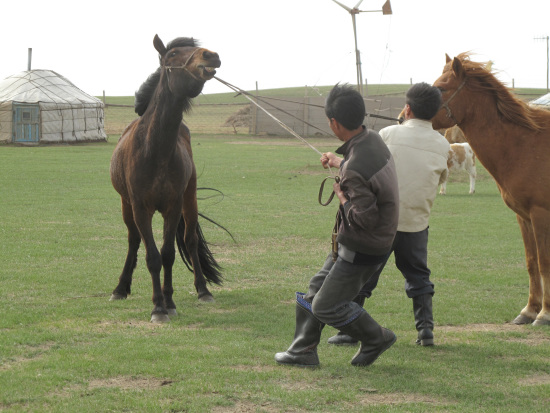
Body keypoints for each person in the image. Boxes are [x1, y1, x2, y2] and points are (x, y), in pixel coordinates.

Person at [274, 84, 400, 367]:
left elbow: (363, 219)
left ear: (333, 122)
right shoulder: (373, 140)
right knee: (315, 288)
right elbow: (363, 171)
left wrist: (343, 197)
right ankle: (302, 351)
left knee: (325, 305)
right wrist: (339, 160)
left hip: (364, 247)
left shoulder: (354, 168)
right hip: (366, 242)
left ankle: (376, 337)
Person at [326, 82, 450, 347]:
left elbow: (365, 166)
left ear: (407, 108)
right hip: (416, 223)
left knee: (363, 276)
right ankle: (425, 331)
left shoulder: (387, 134)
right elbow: (440, 179)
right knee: (418, 277)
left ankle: (350, 329)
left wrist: (339, 163)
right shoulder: (443, 144)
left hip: (382, 223)